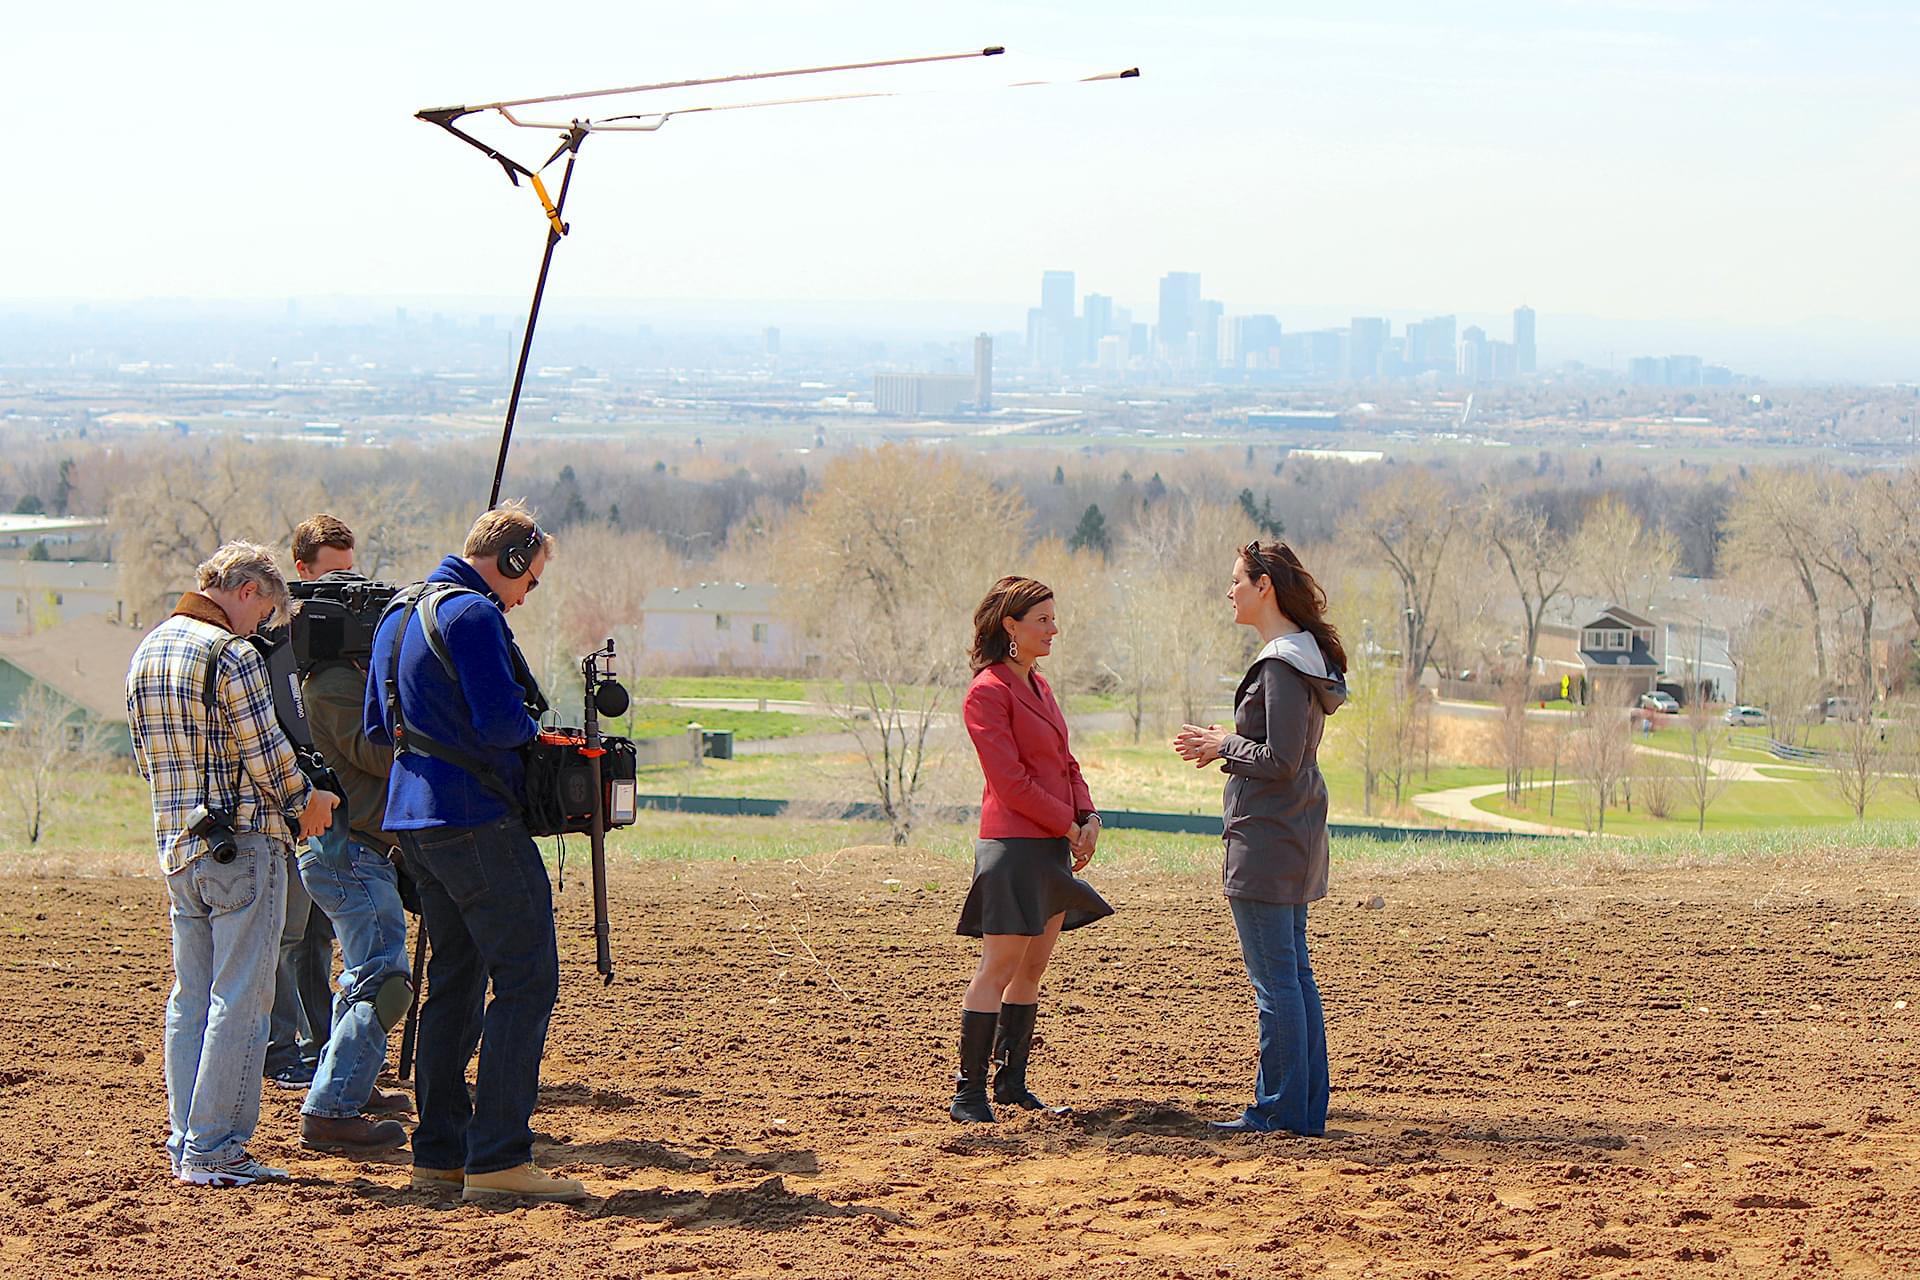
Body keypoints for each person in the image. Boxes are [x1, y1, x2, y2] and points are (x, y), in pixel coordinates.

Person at [364, 501, 586, 1203]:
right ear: (514, 562)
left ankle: (440, 1153)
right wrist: (533, 733)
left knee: (454, 985)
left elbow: (377, 727)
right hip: (475, 821)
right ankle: (498, 1159)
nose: (528, 595)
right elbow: (500, 724)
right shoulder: (474, 615)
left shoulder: (398, 612)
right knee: (527, 980)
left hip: (413, 821)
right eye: (532, 579)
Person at [127, 542, 340, 1187]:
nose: (259, 627)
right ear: (246, 590)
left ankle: (186, 1136)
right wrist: (309, 800)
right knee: (242, 1000)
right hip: (243, 845)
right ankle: (216, 1148)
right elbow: (266, 751)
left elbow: (145, 756)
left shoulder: (149, 649)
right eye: (262, 611)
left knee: (189, 998)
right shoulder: (230, 653)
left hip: (178, 845)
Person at [1173, 540, 1347, 1136]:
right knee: (1293, 975)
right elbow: (1285, 750)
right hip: (1291, 835)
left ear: (1264, 586)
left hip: (1267, 840)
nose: (1230, 591)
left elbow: (1281, 757)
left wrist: (1224, 746)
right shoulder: (1304, 656)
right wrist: (1227, 740)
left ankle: (1278, 1112)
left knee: (1277, 981)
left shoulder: (1280, 662)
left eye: (1237, 580)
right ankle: (1301, 1110)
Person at [952, 575, 1112, 1124]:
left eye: (1053, 617)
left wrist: (1088, 816)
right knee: (998, 967)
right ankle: (968, 1093)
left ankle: (1011, 1084)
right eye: (1042, 620)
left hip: (1051, 844)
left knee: (1031, 970)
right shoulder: (987, 692)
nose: (1053, 628)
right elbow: (1011, 781)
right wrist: (1070, 827)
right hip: (1014, 846)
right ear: (1010, 626)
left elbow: (1067, 764)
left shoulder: (1041, 687)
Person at [288, 514, 414, 1153]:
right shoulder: (333, 684)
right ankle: (332, 1108)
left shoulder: (347, 676)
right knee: (383, 976)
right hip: (347, 852)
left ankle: (348, 1086)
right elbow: (379, 756)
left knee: (361, 975)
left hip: (359, 851)